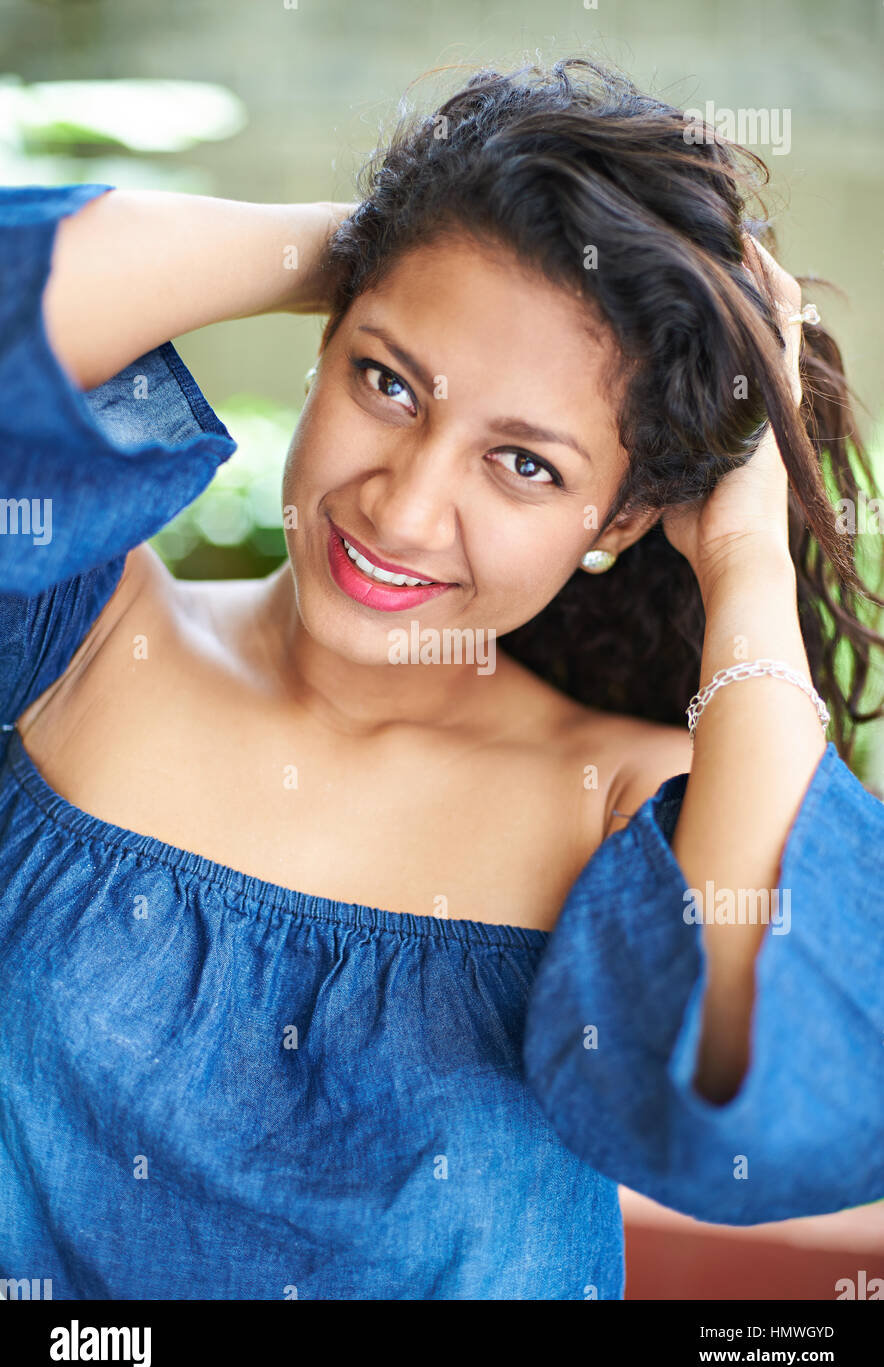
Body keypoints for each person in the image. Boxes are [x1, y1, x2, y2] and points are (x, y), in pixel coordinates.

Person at [1, 58, 882, 1301]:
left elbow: (764, 1070)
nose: (405, 508)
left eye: (522, 464)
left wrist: (743, 549)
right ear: (324, 340)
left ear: (621, 520)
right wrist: (372, 239)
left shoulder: (621, 802)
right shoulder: (84, 639)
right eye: (388, 380)